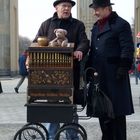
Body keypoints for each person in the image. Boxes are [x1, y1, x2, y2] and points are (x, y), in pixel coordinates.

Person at [32, 0, 89, 139]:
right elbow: (37, 41)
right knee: (52, 106)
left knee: (71, 106)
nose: (67, 9)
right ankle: (52, 136)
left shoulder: (78, 24)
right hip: (50, 75)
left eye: (69, 6)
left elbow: (84, 41)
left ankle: (72, 136)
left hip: (71, 74)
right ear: (56, 7)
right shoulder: (47, 24)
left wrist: (80, 50)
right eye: (64, 6)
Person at [86, 0, 135, 140]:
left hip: (115, 76)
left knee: (117, 112)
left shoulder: (121, 24)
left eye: (97, 9)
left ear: (107, 8)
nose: (95, 12)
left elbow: (127, 48)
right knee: (103, 111)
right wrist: (88, 68)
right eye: (94, 9)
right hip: (99, 76)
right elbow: (93, 51)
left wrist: (123, 67)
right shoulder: (96, 27)